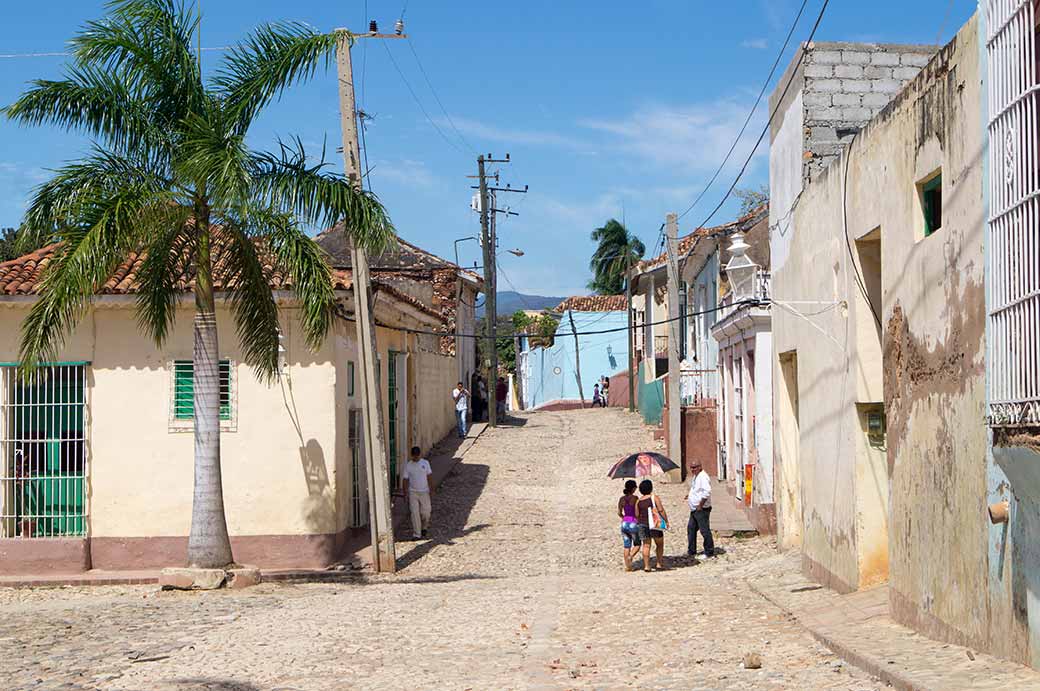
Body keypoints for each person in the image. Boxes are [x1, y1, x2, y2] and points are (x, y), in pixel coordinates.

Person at [401, 446, 433, 539]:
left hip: (424, 491)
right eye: (414, 456)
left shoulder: (425, 463)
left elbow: (429, 476)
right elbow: (405, 479)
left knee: (426, 512)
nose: (416, 458)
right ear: (412, 456)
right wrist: (405, 492)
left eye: (417, 456)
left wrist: (431, 489)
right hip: (413, 492)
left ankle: (424, 526)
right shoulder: (408, 465)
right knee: (414, 513)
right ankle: (417, 534)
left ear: (420, 455)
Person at [636, 479, 669, 571]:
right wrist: (666, 521)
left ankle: (646, 566)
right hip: (655, 524)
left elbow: (637, 514)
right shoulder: (654, 498)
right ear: (651, 488)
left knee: (646, 545)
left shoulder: (638, 501)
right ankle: (659, 563)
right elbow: (661, 510)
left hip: (643, 524)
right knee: (659, 544)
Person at [687, 461, 715, 558]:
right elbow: (696, 489)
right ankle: (691, 550)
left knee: (704, 530)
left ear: (700, 467)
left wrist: (700, 505)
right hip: (694, 509)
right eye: (691, 467)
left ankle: (709, 551)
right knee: (691, 528)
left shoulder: (703, 477)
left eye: (694, 467)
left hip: (701, 509)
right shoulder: (696, 476)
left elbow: (707, 492)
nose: (692, 469)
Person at [617, 480, 642, 571]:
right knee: (637, 544)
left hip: (624, 523)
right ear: (634, 488)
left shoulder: (621, 499)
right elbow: (637, 512)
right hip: (633, 523)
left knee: (626, 546)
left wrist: (624, 518)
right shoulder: (635, 498)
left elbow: (619, 512)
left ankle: (628, 567)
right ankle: (630, 556)